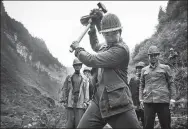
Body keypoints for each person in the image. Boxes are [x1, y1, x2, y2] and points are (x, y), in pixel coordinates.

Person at [70, 12, 141, 128]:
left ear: (120, 32)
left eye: (114, 33)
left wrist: (78, 49)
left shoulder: (121, 50)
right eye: (107, 35)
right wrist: (92, 30)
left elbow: (91, 60)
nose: (110, 38)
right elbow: (96, 45)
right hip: (100, 100)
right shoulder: (105, 46)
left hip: (119, 103)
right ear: (103, 34)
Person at [139, 45, 176, 129]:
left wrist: (172, 99)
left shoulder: (165, 68)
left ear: (158, 56)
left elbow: (171, 83)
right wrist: (141, 99)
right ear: (148, 57)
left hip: (163, 101)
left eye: (155, 55)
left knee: (165, 125)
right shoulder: (144, 70)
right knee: (147, 126)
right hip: (148, 101)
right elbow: (141, 85)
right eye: (151, 55)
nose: (153, 57)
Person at [59, 58, 89, 128]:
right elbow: (65, 89)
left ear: (81, 66)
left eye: (79, 65)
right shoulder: (69, 77)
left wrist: (85, 102)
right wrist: (64, 100)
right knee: (69, 123)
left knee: (78, 123)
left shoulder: (84, 79)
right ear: (73, 66)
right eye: (76, 65)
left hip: (80, 103)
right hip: (70, 102)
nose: (77, 67)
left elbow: (86, 91)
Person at [129, 61, 145, 126]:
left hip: (144, 104)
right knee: (135, 122)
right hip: (134, 104)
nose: (139, 69)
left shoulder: (146, 79)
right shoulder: (132, 79)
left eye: (141, 68)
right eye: (138, 68)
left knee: (145, 122)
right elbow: (129, 91)